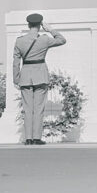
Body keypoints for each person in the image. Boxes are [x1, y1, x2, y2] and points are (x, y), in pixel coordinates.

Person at [13, 13, 66, 145]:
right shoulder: (45, 39)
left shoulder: (19, 41)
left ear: (28, 24)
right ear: (40, 25)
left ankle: (28, 139)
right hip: (40, 76)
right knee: (38, 108)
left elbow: (15, 62)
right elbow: (62, 39)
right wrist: (50, 29)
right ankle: (36, 138)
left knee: (27, 109)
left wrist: (16, 79)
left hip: (25, 76)